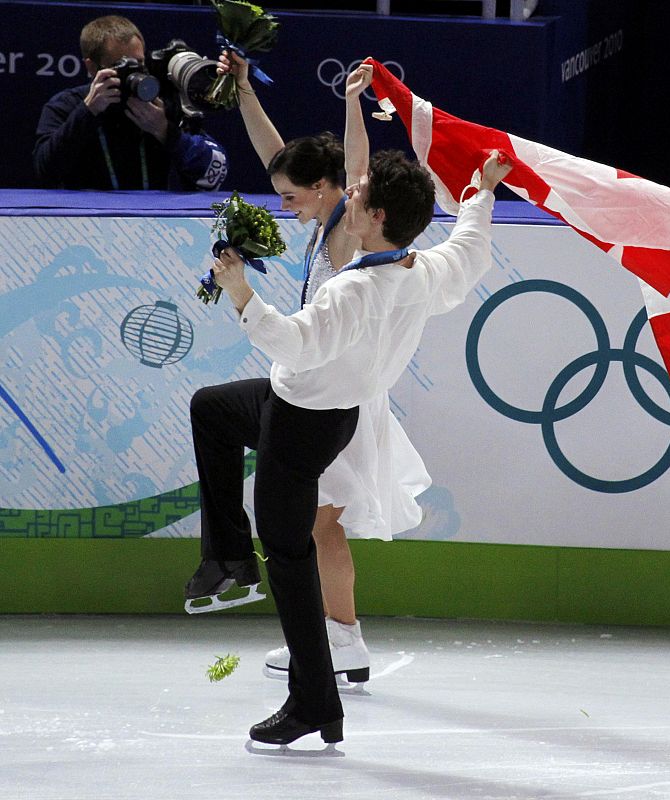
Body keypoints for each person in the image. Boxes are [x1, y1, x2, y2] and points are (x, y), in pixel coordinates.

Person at [184, 61, 512, 745]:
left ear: (374, 216)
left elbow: (291, 344)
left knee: (295, 551)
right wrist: (480, 192)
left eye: (359, 199)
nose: (350, 199)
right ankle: (228, 561)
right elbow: (471, 244)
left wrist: (239, 288)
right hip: (307, 406)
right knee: (212, 410)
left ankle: (316, 700)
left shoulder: (351, 290)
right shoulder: (427, 271)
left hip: (305, 421)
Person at [213, 53, 431, 686]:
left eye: (290, 196)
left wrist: (352, 104)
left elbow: (355, 164)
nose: (283, 206)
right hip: (328, 389)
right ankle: (341, 641)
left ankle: (341, 641)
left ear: (328, 190)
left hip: (337, 398)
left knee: (317, 526)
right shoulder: (320, 217)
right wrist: (247, 93)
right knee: (318, 526)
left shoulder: (344, 224)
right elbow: (279, 156)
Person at [33, 15, 227, 191]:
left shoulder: (158, 106)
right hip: (86, 220)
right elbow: (45, 172)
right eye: (122, 66)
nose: (135, 76)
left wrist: (166, 132)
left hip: (156, 221)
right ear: (92, 67)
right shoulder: (66, 106)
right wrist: (87, 112)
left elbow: (213, 172)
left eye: (139, 64)